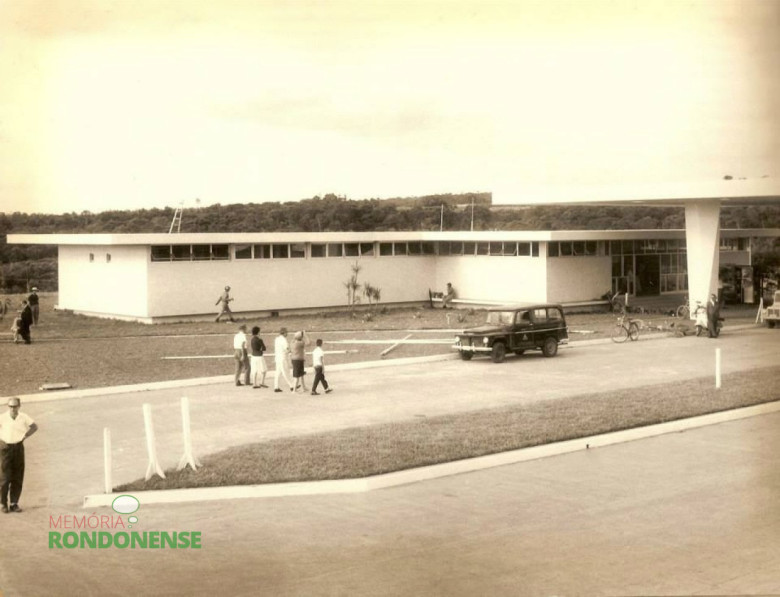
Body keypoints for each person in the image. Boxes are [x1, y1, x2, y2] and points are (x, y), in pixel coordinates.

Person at [0, 397, 38, 513]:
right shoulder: (2, 417)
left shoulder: (23, 417)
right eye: (10, 406)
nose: (13, 409)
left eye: (15, 406)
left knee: (17, 476)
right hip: (5, 448)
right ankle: (3, 503)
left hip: (18, 447)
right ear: (8, 407)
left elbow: (34, 427)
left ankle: (14, 503)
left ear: (19, 406)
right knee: (4, 478)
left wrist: (25, 436)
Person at [273, 328, 294, 393]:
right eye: (286, 332)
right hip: (283, 358)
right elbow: (286, 349)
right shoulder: (284, 340)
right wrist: (291, 351)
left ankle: (276, 387)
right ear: (284, 333)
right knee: (286, 372)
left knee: (278, 373)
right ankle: (292, 386)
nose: (287, 333)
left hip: (277, 358)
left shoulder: (277, 339)